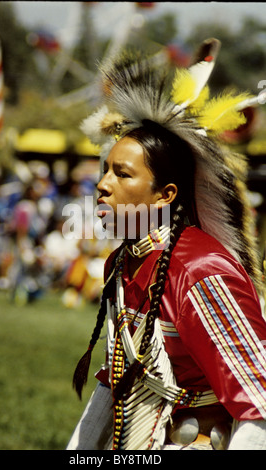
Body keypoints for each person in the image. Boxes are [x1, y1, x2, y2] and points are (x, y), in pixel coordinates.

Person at [66, 39, 266, 450]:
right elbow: (115, 380)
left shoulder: (200, 271)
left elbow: (259, 403)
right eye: (106, 171)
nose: (103, 184)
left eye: (122, 174)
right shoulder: (122, 264)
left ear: (165, 194)